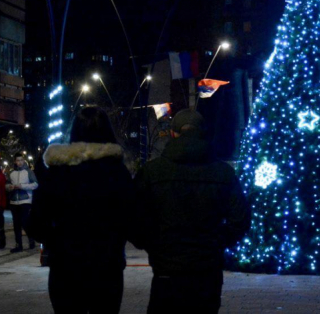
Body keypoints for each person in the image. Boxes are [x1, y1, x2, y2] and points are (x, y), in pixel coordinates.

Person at [136, 109, 251, 314]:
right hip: (207, 270)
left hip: (167, 270)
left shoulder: (153, 172)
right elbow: (240, 220)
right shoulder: (223, 173)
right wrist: (216, 242)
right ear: (203, 133)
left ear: (173, 133)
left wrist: (154, 244)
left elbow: (133, 218)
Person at [28, 107, 137, 314]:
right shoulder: (117, 173)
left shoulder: (58, 173)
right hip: (107, 267)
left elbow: (36, 222)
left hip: (65, 267)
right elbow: (132, 220)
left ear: (74, 132)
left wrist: (56, 242)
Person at [6, 153, 38, 252]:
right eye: (17, 160)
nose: (19, 162)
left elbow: (35, 184)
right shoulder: (11, 173)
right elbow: (6, 184)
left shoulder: (28, 172)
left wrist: (22, 186)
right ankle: (18, 245)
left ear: (23, 161)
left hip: (25, 200)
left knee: (24, 222)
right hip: (14, 201)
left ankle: (31, 238)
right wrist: (9, 187)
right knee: (16, 224)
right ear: (15, 161)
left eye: (21, 160)